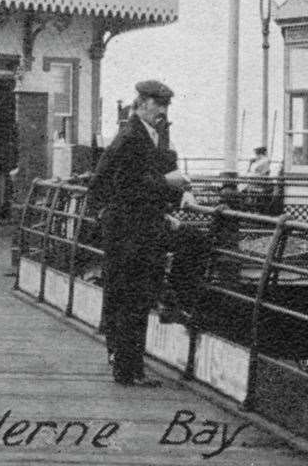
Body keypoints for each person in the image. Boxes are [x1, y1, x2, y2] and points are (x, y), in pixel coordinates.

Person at [89, 80, 191, 387]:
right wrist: (169, 184)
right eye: (158, 105)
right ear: (142, 103)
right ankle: (128, 370)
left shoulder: (144, 134)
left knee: (129, 297)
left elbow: (112, 182)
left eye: (165, 106)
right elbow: (125, 184)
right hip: (131, 230)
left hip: (133, 227)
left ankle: (128, 366)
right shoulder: (133, 136)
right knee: (133, 298)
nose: (162, 111)